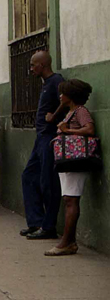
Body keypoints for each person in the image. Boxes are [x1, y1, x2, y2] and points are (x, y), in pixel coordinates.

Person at [45, 79, 94, 256]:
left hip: (75, 161)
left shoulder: (80, 111)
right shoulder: (70, 111)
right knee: (68, 199)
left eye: (62, 93)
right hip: (66, 161)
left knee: (71, 200)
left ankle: (66, 242)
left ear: (70, 96)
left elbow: (89, 129)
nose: (60, 96)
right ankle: (69, 241)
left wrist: (68, 130)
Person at [20, 50, 64, 240]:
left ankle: (49, 227)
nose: (30, 69)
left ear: (42, 65)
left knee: (48, 182)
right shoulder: (46, 84)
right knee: (29, 176)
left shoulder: (56, 81)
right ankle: (36, 221)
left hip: (50, 137)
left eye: (32, 65)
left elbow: (67, 100)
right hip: (41, 137)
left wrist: (54, 116)